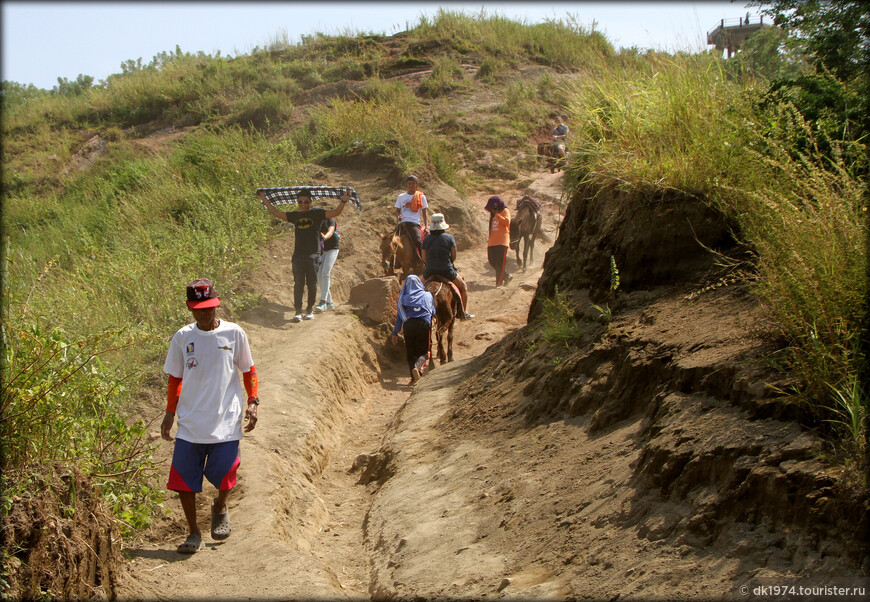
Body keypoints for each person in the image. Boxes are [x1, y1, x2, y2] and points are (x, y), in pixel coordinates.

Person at [161, 278, 260, 554]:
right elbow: (175, 379)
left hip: (225, 421)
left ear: (217, 305)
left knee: (228, 473)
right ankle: (193, 532)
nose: (206, 313)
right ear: (190, 309)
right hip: (191, 423)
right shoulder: (183, 338)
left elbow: (249, 371)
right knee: (183, 481)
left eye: (210, 308)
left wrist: (253, 401)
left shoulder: (234, 334)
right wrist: (170, 413)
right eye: (199, 309)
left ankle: (220, 506)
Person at [258, 188, 351, 322]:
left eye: (305, 201)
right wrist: (264, 199)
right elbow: (275, 212)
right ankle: (297, 311)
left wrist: (343, 200)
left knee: (312, 284)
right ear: (297, 202)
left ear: (310, 201)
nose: (303, 204)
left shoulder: (317, 213)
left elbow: (336, 212)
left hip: (313, 254)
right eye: (300, 201)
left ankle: (309, 310)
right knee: (298, 284)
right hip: (298, 256)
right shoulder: (295, 216)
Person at [421, 213, 473, 319]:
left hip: (430, 271)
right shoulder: (449, 238)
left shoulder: (426, 239)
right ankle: (463, 313)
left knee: (417, 289)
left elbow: (424, 258)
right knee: (463, 287)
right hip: (446, 270)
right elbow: (454, 256)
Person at [390, 275, 435, 384]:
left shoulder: (403, 298)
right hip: (423, 325)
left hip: (408, 325)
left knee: (411, 352)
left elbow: (399, 318)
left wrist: (395, 333)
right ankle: (418, 368)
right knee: (425, 352)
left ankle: (413, 378)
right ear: (419, 283)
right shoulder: (427, 295)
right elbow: (433, 311)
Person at [394, 175, 429, 257]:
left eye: (413, 183)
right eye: (409, 183)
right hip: (402, 223)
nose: (411, 185)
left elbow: (424, 212)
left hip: (414, 223)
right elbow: (397, 210)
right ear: (406, 184)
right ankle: (391, 265)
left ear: (417, 185)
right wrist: (398, 216)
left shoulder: (421, 197)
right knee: (391, 242)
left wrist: (426, 226)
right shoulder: (401, 196)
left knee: (418, 241)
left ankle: (423, 261)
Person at [485, 195, 512, 287]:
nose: (491, 210)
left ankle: (499, 283)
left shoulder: (505, 211)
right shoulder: (491, 215)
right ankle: (506, 276)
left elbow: (507, 222)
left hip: (502, 241)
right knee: (491, 260)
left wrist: (497, 214)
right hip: (492, 241)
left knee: (500, 262)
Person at [314, 215, 340, 312]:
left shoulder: (329, 220)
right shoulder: (314, 223)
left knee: (325, 273)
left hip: (333, 249)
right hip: (322, 250)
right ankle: (329, 303)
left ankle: (323, 302)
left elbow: (331, 231)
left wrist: (324, 237)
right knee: (318, 275)